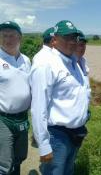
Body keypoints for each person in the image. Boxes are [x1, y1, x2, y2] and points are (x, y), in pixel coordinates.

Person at [30, 20, 90, 175]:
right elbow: (38, 108)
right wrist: (43, 145)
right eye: (66, 38)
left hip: (75, 133)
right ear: (55, 40)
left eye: (74, 38)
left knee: (68, 171)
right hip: (57, 136)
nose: (72, 42)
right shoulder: (46, 64)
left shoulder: (73, 62)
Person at [0, 21, 31, 175]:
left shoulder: (26, 60)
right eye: (4, 35)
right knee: (4, 163)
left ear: (20, 37)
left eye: (11, 35)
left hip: (23, 118)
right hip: (3, 119)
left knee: (20, 156)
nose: (7, 39)